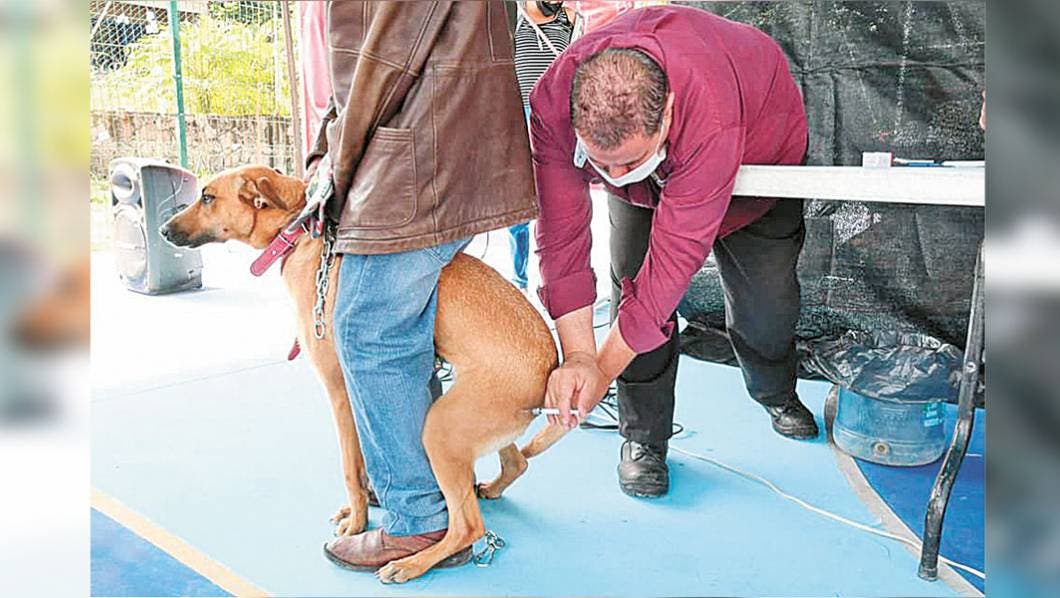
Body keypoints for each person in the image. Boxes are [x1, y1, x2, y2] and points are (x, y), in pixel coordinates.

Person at [529, 5, 817, 499]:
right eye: (601, 164)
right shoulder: (552, 101)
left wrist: (599, 371)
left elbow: (669, 273)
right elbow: (561, 237)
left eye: (629, 162)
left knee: (766, 312)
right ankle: (643, 437)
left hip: (757, 164)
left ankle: (774, 390)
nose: (613, 177)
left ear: (667, 113)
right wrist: (579, 356)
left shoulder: (709, 110)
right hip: (655, 186)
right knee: (629, 292)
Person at [309, 1, 536, 569]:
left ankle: (417, 521)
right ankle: (418, 483)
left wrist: (333, 167)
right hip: (442, 149)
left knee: (368, 332)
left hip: (412, 162)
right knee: (401, 335)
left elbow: (382, 60)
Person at [508, 1, 576, 292]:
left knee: (555, 199)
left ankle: (557, 282)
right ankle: (519, 279)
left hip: (554, 114)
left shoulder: (569, 17)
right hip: (518, 114)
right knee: (518, 204)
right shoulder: (515, 12)